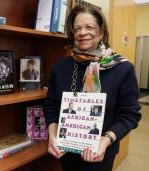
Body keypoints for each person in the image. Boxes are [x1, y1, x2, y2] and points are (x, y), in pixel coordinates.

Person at [44, 5, 141, 171]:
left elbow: (129, 115)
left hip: (101, 153)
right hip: (66, 151)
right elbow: (51, 105)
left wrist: (105, 141)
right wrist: (52, 135)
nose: (82, 33)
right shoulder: (59, 68)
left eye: (89, 27)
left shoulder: (123, 69)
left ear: (101, 33)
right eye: (77, 28)